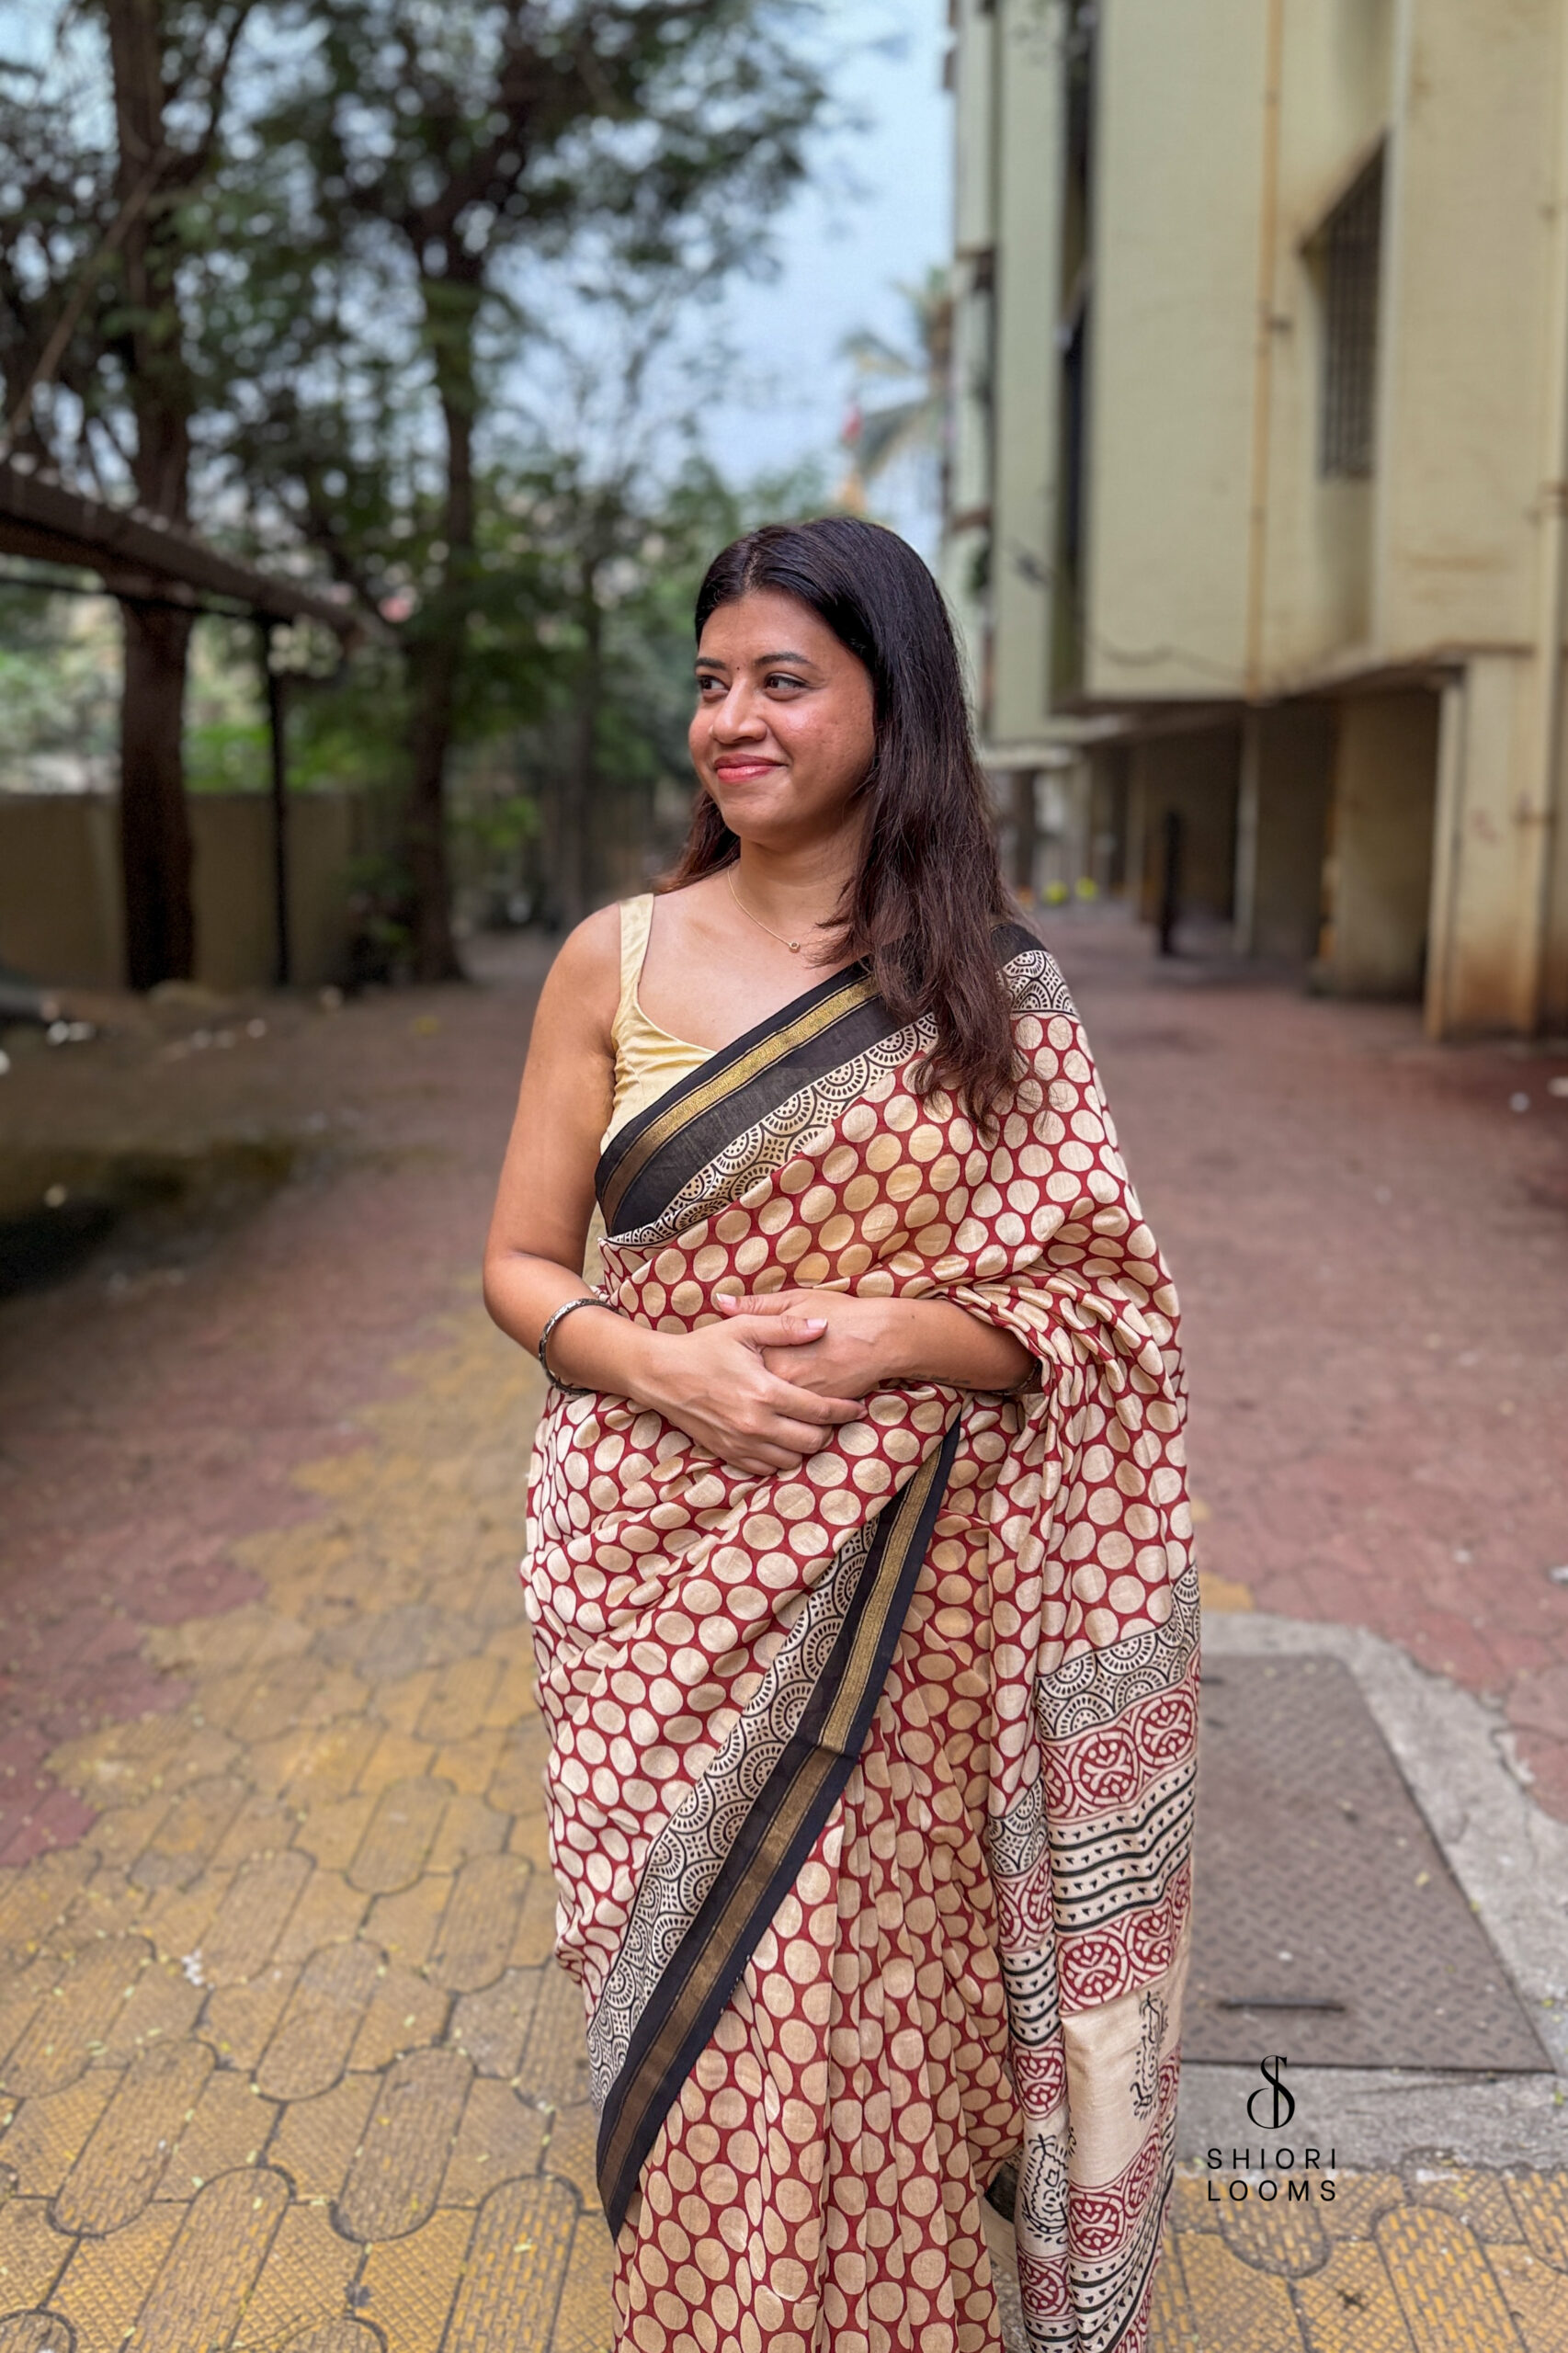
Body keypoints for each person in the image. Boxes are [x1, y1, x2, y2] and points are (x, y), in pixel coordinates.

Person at [484, 517, 1196, 2353]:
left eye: (783, 681)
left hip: (912, 1611)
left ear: (897, 703)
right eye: (711, 681)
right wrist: (662, 1370)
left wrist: (899, 1330)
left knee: (865, 2007)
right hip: (655, 1581)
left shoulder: (990, 992)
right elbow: (517, 1265)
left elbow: (1105, 1302)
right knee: (700, 2011)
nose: (732, 718)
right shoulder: (613, 958)